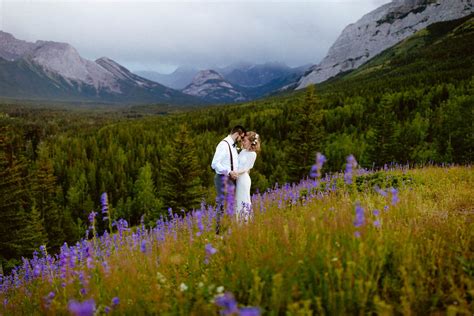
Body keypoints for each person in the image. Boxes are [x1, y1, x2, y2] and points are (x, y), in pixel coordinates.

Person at [211, 125, 246, 233]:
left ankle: (228, 229)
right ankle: (219, 232)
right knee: (222, 205)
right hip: (222, 178)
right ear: (237, 134)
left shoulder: (233, 145)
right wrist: (229, 172)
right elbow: (214, 164)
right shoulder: (223, 145)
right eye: (241, 137)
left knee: (230, 205)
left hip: (231, 179)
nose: (241, 140)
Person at [234, 131, 260, 223]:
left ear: (250, 142)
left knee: (244, 199)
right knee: (238, 200)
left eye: (245, 141)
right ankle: (239, 222)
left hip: (244, 179)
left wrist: (234, 172)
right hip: (238, 179)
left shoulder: (253, 154)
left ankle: (245, 222)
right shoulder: (243, 151)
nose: (243, 142)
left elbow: (245, 169)